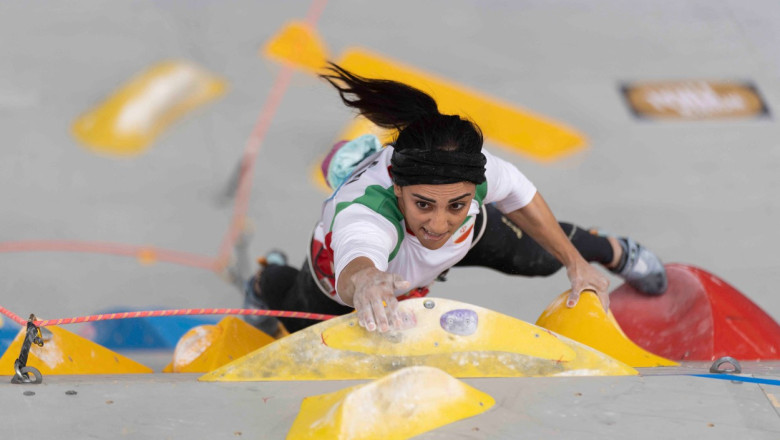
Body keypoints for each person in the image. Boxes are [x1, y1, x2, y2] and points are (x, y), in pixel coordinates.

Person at [244, 63, 667, 335]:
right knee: (296, 318)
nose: (440, 225)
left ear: (473, 192)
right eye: (423, 204)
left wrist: (577, 265)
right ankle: (266, 279)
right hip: (340, 282)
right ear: (397, 188)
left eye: (457, 205)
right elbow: (357, 255)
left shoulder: (470, 170)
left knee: (538, 256)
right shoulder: (365, 212)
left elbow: (521, 196)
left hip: (435, 253)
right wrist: (366, 282)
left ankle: (617, 252)